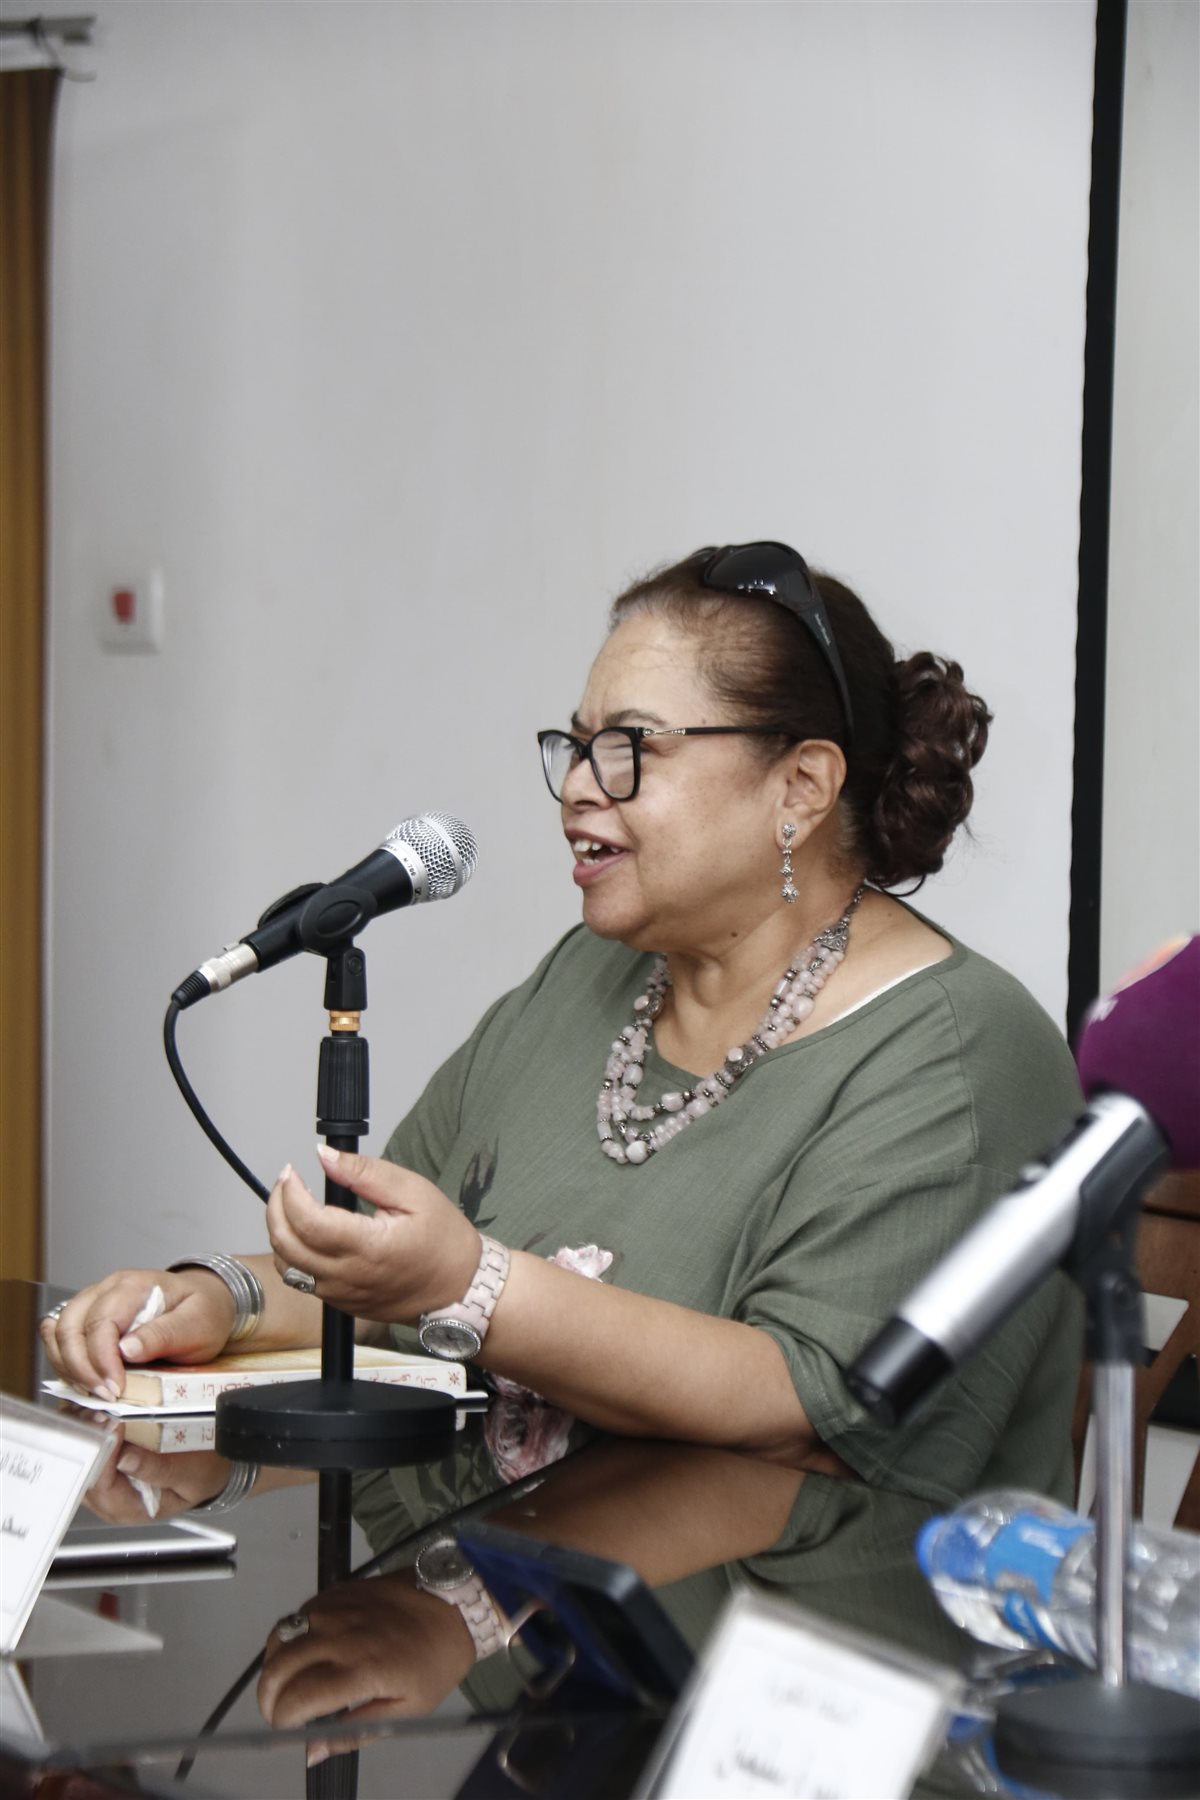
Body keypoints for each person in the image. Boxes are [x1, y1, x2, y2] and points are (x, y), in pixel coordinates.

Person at [43, 541, 1083, 1504]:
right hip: (508, 1596)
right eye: (576, 748)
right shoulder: (591, 977)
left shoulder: (960, 1053)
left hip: (786, 1621)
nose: (579, 789)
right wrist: (218, 1300)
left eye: (627, 748)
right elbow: (389, 1272)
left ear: (801, 786)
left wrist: (472, 1284)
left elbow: (803, 1403)